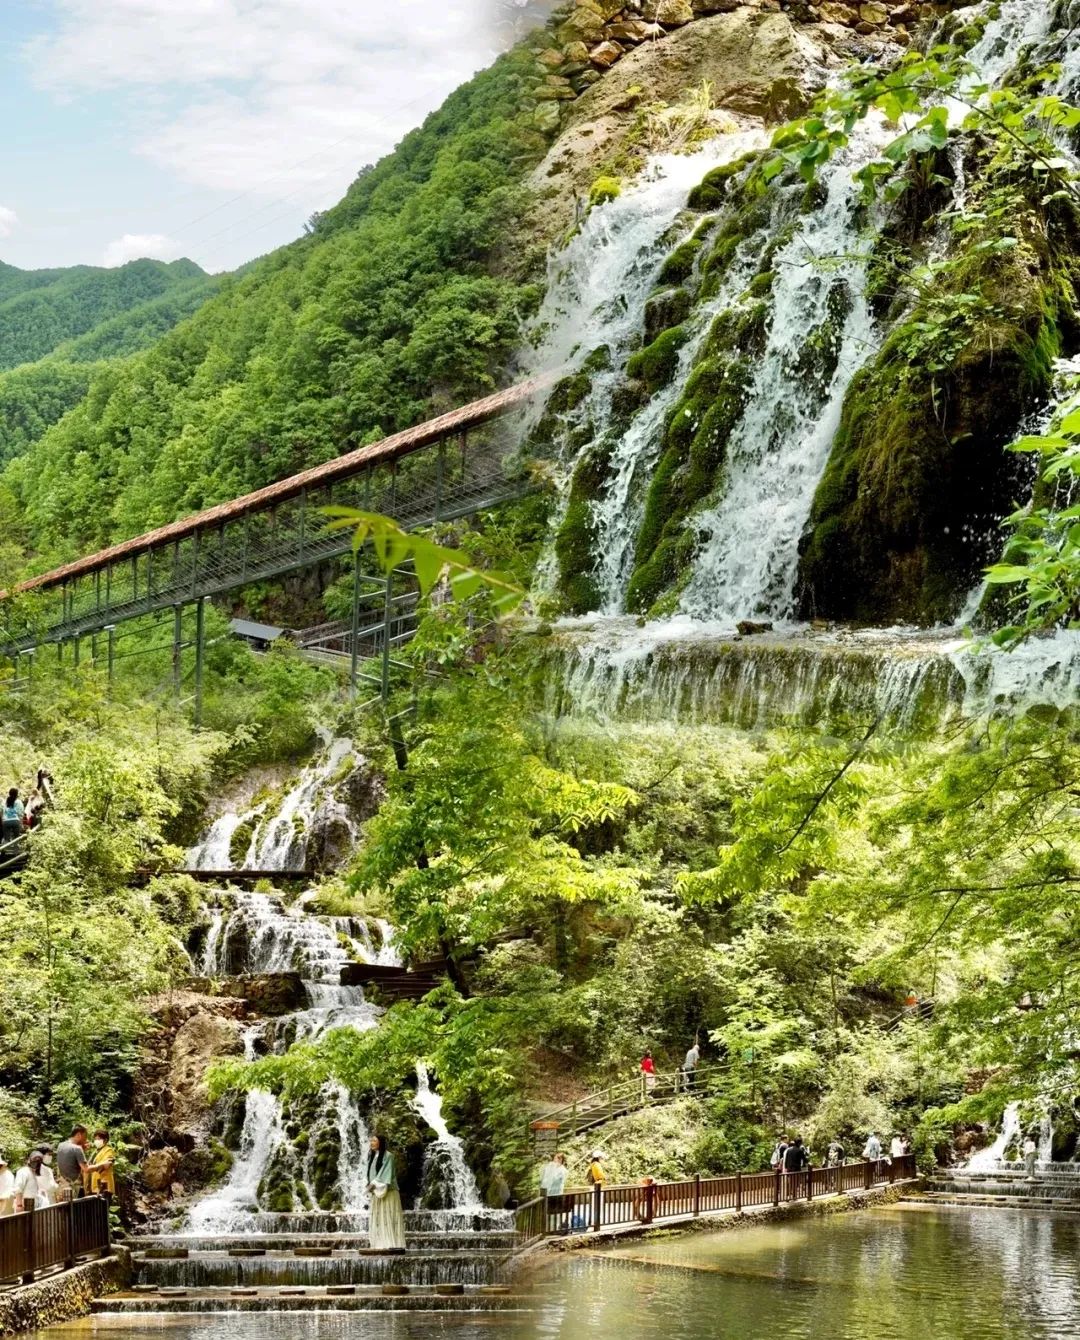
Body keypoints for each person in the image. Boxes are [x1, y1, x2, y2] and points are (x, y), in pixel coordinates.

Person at [366, 1135, 405, 1251]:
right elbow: (370, 1173)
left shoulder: (389, 1156)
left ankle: (391, 1243)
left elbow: (385, 1174)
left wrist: (372, 1184)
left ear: (380, 1143)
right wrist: (369, 1184)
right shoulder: (372, 1156)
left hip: (388, 1192)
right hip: (376, 1192)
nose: (371, 1143)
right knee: (379, 1218)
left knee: (388, 1218)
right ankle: (379, 1243)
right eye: (371, 1140)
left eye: (374, 1140)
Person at [56, 1126, 89, 1198]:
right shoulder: (77, 1149)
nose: (86, 1139)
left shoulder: (61, 1145)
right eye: (85, 1136)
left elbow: (70, 1158)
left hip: (62, 1184)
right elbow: (86, 1169)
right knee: (71, 1208)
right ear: (79, 1135)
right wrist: (101, 1165)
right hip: (73, 1186)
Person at [87, 1130, 116, 1202]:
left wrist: (94, 1167)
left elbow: (107, 1165)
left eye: (99, 1139)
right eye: (95, 1139)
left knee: (102, 1210)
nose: (96, 1141)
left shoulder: (108, 1150)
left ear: (105, 1140)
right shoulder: (95, 1152)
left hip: (105, 1186)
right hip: (95, 1185)